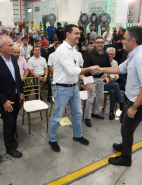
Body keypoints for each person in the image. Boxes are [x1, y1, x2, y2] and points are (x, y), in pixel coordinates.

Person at [101, 26, 142, 166]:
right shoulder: (134, 54)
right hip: (133, 98)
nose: (122, 41)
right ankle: (125, 144)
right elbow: (120, 69)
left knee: (126, 129)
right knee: (123, 121)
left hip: (141, 102)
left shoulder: (141, 58)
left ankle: (125, 158)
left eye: (124, 39)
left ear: (132, 40)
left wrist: (134, 107)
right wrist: (101, 69)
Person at [49, 24, 100, 152]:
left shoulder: (75, 52)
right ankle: (52, 139)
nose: (79, 35)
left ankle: (77, 135)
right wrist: (90, 68)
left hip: (74, 87)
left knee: (78, 113)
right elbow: (72, 71)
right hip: (61, 88)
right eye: (76, 33)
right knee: (57, 116)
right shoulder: (61, 51)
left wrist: (88, 81)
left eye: (79, 33)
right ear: (68, 34)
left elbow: (79, 73)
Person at [0, 36, 24, 158]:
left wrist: (21, 91)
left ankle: (11, 139)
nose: (13, 48)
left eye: (13, 45)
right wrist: (3, 101)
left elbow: (17, 77)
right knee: (8, 122)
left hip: (16, 97)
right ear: (1, 47)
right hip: (4, 100)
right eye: (10, 46)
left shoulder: (13, 58)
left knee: (13, 119)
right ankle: (10, 147)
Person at [83, 36, 111, 127]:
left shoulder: (106, 54)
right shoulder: (89, 54)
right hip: (91, 79)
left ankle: (95, 113)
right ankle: (87, 117)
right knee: (90, 99)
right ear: (95, 44)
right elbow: (84, 70)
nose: (100, 44)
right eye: (98, 42)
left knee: (99, 97)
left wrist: (108, 77)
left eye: (101, 42)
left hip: (100, 79)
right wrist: (88, 82)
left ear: (104, 44)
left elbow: (108, 68)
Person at [104, 47, 124, 120]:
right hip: (103, 83)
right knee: (116, 85)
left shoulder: (115, 62)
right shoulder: (102, 61)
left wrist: (116, 77)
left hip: (112, 83)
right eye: (108, 54)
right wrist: (108, 78)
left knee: (112, 91)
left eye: (111, 54)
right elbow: (99, 75)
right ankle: (121, 103)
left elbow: (117, 74)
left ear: (114, 55)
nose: (109, 55)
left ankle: (111, 111)